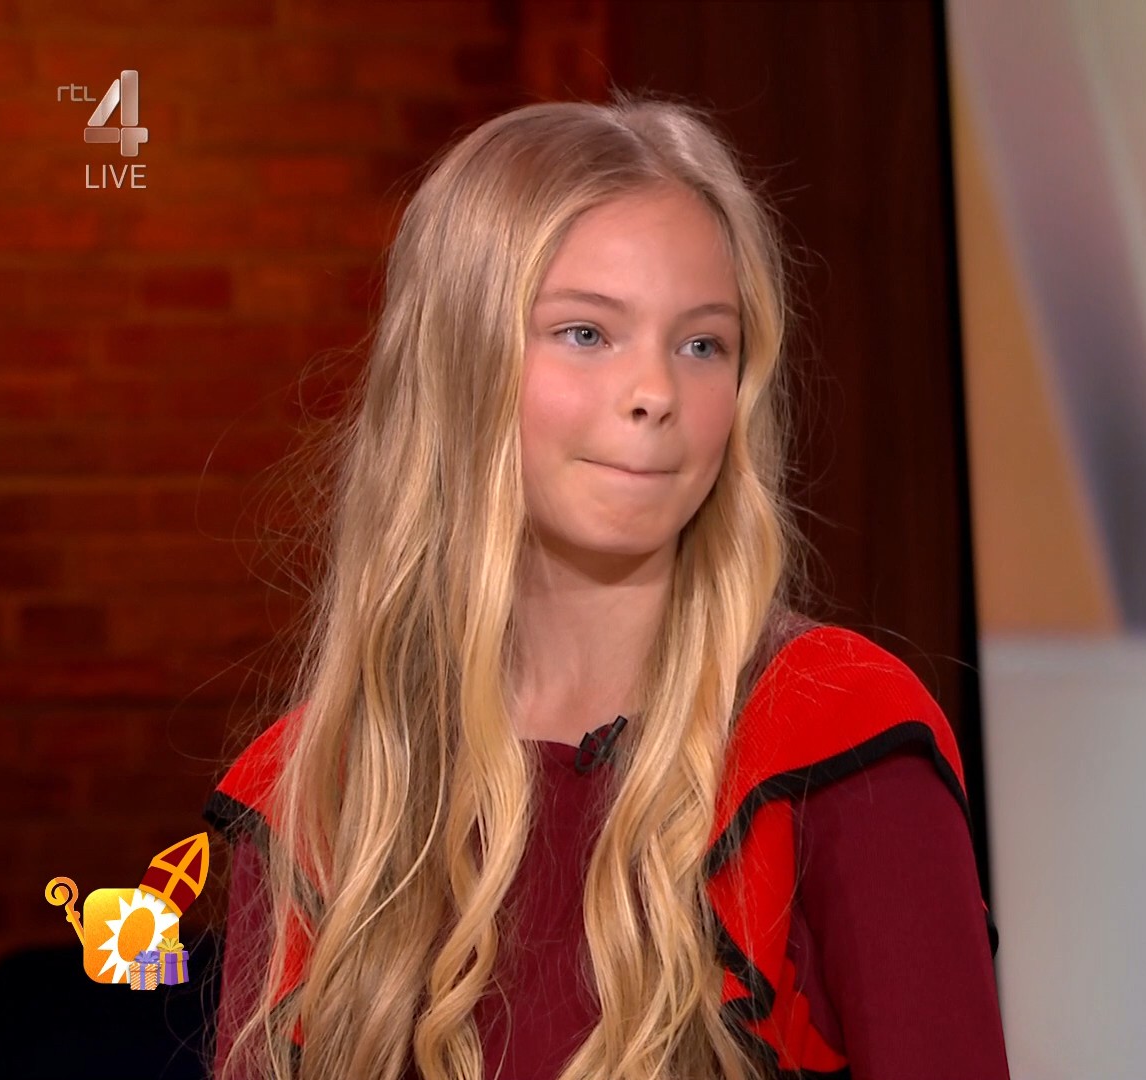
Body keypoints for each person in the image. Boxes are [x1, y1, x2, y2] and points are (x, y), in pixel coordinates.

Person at [203, 98, 1010, 1080]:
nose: (657, 393)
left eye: (703, 344)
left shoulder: (838, 733)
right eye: (586, 332)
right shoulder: (316, 788)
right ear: (459, 363)